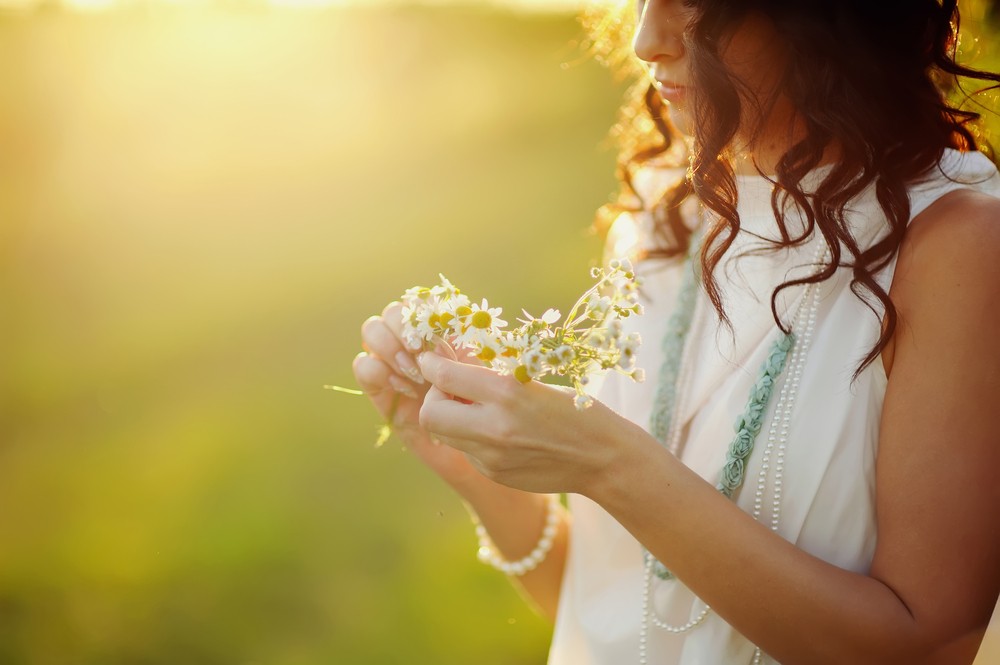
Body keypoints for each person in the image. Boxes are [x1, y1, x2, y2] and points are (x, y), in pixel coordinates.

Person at [353, 1, 1000, 662]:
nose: (643, 40)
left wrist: (612, 463)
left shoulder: (955, 250)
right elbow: (629, 614)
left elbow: (933, 648)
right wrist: (477, 475)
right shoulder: (665, 215)